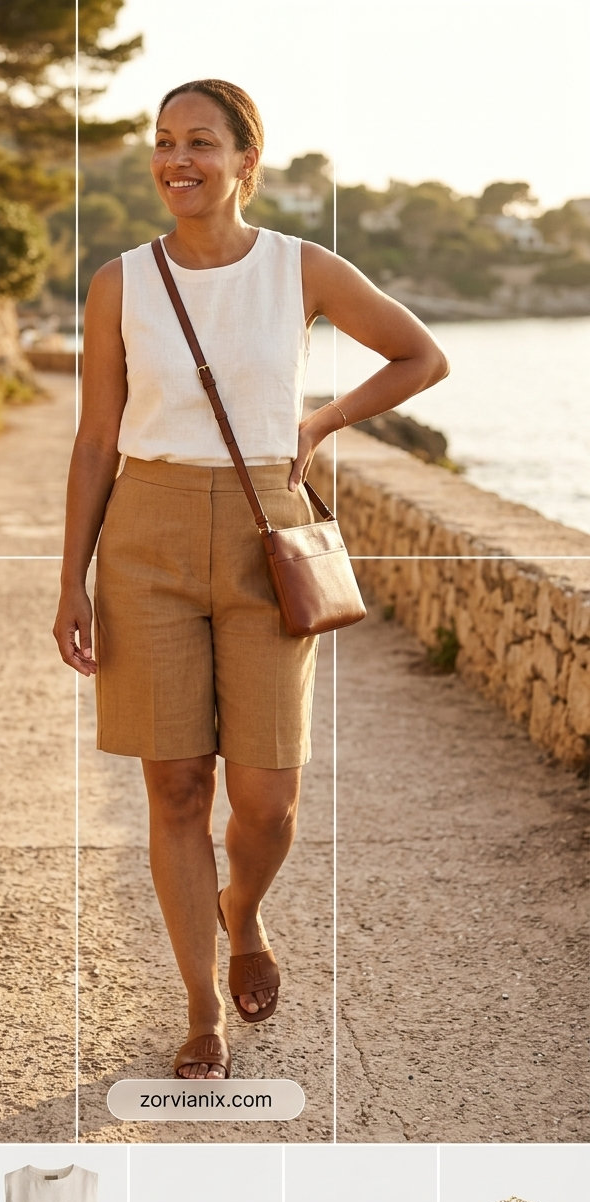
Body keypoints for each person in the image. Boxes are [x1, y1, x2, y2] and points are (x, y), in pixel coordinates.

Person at [54, 78, 448, 1081]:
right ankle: (199, 1009)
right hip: (144, 534)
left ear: (245, 160)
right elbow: (96, 438)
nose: (176, 159)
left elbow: (419, 354)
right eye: (163, 142)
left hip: (267, 529)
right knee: (176, 785)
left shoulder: (301, 269)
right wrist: (72, 581)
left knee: (265, 799)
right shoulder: (120, 282)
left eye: (200, 142)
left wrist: (320, 423)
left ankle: (246, 908)